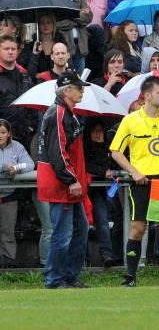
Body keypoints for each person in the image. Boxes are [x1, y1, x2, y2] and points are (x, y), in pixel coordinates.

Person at [110, 76, 159, 287]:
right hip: (141, 181)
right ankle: (130, 277)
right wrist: (134, 172)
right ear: (147, 96)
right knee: (138, 228)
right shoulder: (130, 120)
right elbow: (115, 151)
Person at [37, 71, 90, 288]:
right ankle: (54, 279)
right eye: (78, 88)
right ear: (67, 90)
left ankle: (68, 276)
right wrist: (71, 180)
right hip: (62, 184)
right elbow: (57, 152)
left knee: (80, 230)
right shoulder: (59, 113)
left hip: (67, 182)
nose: (82, 90)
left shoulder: (66, 112)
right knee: (63, 234)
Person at [0, 119, 34, 268]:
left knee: (8, 233)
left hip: (8, 196)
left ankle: (9, 264)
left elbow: (30, 164)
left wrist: (17, 168)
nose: (0, 135)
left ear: (9, 134)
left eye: (2, 132)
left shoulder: (17, 147)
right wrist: (3, 167)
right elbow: (4, 166)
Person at [83, 119, 115, 267]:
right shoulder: (83, 146)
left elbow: (113, 163)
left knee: (102, 221)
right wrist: (102, 171)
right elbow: (84, 165)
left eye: (100, 130)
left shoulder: (107, 147)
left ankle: (107, 254)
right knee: (82, 224)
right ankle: (84, 258)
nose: (98, 134)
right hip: (84, 189)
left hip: (97, 191)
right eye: (95, 130)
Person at [0, 34, 35, 151]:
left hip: (25, 134)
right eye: (6, 49)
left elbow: (32, 102)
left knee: (27, 168)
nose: (10, 52)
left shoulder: (24, 73)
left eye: (13, 49)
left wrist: (31, 126)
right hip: (3, 137)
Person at [55, 0, 93, 74]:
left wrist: (67, 16)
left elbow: (88, 18)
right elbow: (56, 23)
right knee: (66, 76)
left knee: (79, 78)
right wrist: (79, 14)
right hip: (64, 46)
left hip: (80, 45)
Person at [19, 13, 66, 81]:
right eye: (42, 23)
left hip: (58, 82)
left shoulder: (61, 44)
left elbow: (68, 67)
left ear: (53, 24)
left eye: (48, 22)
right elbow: (29, 74)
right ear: (38, 26)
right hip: (37, 84)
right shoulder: (31, 46)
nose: (45, 25)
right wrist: (35, 54)